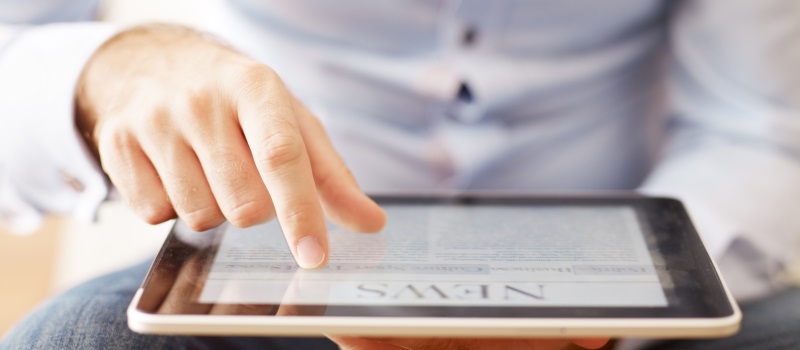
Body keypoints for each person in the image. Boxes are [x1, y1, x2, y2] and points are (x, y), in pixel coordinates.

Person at [1, 0, 799, 349]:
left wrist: (627, 304)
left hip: (630, 298)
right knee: (74, 343)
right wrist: (111, 70)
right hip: (285, 285)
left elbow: (758, 127)